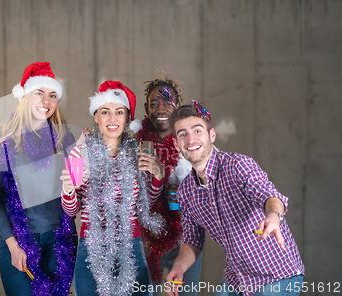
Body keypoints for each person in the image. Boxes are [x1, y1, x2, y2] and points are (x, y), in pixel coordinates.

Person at [166, 103, 304, 296]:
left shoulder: (237, 165)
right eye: (182, 134)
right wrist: (179, 266)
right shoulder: (186, 192)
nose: (191, 139)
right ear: (176, 144)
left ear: (211, 135)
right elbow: (192, 240)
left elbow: (269, 195)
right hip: (237, 277)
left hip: (277, 275)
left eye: (197, 130)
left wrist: (273, 215)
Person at [60, 81, 165, 296]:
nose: (112, 119)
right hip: (91, 247)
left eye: (119, 112)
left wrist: (158, 176)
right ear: (96, 117)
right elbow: (72, 211)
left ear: (127, 118)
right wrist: (68, 189)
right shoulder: (80, 154)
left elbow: (147, 204)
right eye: (105, 112)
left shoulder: (139, 152)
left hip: (131, 245)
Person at [0, 62, 77, 296]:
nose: (46, 101)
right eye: (39, 93)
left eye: (52, 95)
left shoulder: (65, 137)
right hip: (17, 241)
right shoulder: (2, 139)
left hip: (59, 239)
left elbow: (75, 188)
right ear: (25, 96)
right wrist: (13, 244)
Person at [136, 76, 202, 295]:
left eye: (167, 101)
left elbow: (215, 182)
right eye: (154, 103)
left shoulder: (192, 140)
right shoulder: (136, 145)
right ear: (146, 108)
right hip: (146, 240)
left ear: (178, 104)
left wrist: (184, 192)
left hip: (186, 239)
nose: (160, 108)